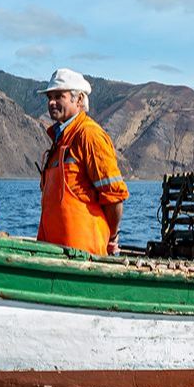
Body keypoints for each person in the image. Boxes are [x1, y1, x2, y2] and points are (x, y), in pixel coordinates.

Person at [37, 68, 129, 256]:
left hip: (83, 254)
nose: (52, 103)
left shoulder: (89, 135)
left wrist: (111, 240)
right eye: (49, 98)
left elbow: (114, 197)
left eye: (58, 96)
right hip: (54, 253)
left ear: (78, 99)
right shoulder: (60, 140)